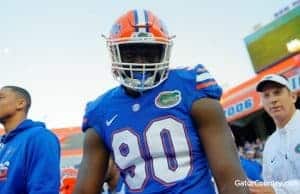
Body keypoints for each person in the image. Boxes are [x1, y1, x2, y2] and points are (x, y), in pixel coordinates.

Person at [74, 9, 249, 194]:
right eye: (131, 53)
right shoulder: (100, 111)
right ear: (115, 53)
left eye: (149, 52)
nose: (140, 62)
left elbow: (233, 180)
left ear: (164, 51)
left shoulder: (190, 87)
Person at [0, 86, 60, 193]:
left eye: (0, 97)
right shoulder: (3, 144)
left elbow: (43, 189)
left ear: (20, 103)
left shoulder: (40, 137)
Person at [249, 74, 300, 194]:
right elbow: (269, 184)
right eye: (266, 96)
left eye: (277, 92)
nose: (272, 100)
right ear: (263, 103)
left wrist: (275, 190)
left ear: (293, 96)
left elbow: (273, 189)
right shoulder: (269, 146)